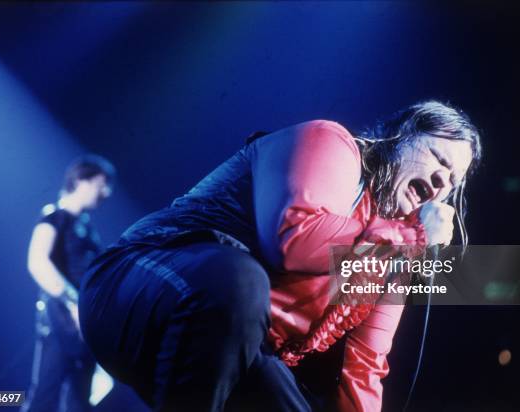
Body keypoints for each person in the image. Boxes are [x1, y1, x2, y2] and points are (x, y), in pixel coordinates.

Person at [79, 100, 481, 411]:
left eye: (453, 181)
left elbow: (364, 364)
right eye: (439, 159)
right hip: (134, 286)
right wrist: (407, 236)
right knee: (241, 281)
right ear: (402, 138)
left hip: (225, 343)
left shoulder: (395, 250)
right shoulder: (333, 144)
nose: (443, 181)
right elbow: (293, 240)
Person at [22, 155, 116, 412]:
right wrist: (73, 304)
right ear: (82, 182)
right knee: (45, 395)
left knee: (79, 400)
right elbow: (37, 261)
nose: (106, 192)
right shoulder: (54, 218)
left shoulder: (87, 228)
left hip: (84, 325)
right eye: (102, 184)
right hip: (61, 319)